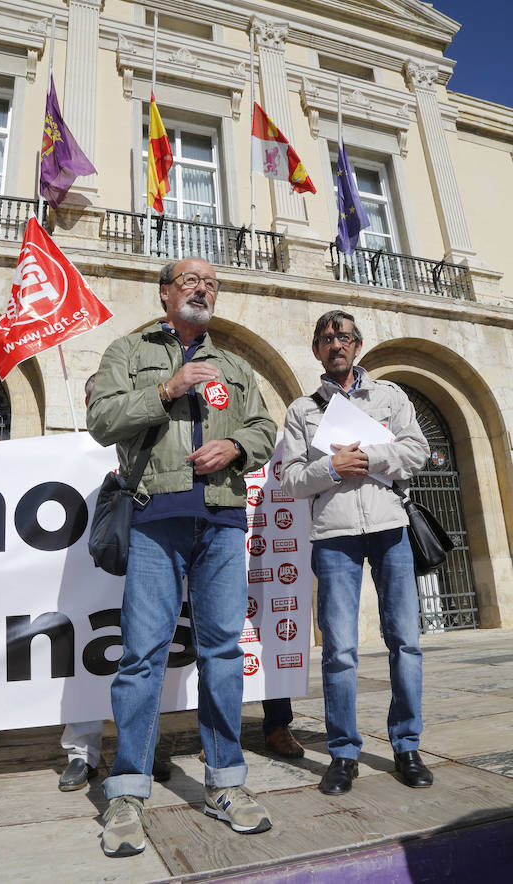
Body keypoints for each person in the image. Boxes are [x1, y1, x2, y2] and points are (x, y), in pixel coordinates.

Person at [87, 256, 277, 857]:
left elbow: (265, 428)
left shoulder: (236, 365)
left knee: (222, 653)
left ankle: (226, 783)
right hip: (155, 517)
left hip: (222, 520)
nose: (203, 289)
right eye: (191, 281)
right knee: (142, 657)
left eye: (211, 283)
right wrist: (166, 389)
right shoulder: (129, 350)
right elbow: (101, 420)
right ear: (165, 293)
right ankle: (127, 792)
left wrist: (235, 445)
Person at [281, 310, 432, 795]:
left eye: (343, 336)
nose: (335, 344)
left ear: (357, 344)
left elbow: (418, 451)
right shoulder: (302, 410)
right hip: (334, 535)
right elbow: (290, 480)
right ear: (316, 350)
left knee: (405, 642)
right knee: (340, 650)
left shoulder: (389, 396)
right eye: (326, 338)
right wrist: (332, 467)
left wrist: (369, 457)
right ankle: (343, 753)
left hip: (390, 527)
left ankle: (407, 746)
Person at [58, 375, 172, 791]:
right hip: (84, 577)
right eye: (97, 398)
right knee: (83, 661)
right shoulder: (71, 446)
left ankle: (142, 748)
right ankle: (81, 752)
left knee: (144, 659)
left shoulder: (148, 438)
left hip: (141, 563)